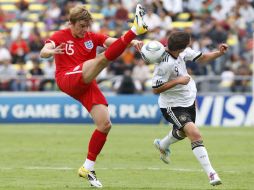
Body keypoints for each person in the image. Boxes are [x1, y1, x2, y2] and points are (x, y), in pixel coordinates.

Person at [40, 4, 148, 188]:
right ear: (71, 23)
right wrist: (50, 52)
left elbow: (113, 42)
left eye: (87, 26)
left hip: (87, 81)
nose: (85, 30)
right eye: (81, 26)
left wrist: (132, 42)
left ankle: (87, 168)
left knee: (105, 124)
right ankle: (134, 29)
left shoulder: (92, 37)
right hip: (67, 78)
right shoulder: (59, 36)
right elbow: (44, 51)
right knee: (101, 59)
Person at [151, 31, 228, 186]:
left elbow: (203, 58)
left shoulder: (182, 53)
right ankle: (212, 174)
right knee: (194, 133)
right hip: (172, 106)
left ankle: (163, 145)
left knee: (183, 132)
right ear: (183, 46)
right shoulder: (164, 63)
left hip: (189, 99)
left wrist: (219, 53)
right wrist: (178, 80)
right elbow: (156, 89)